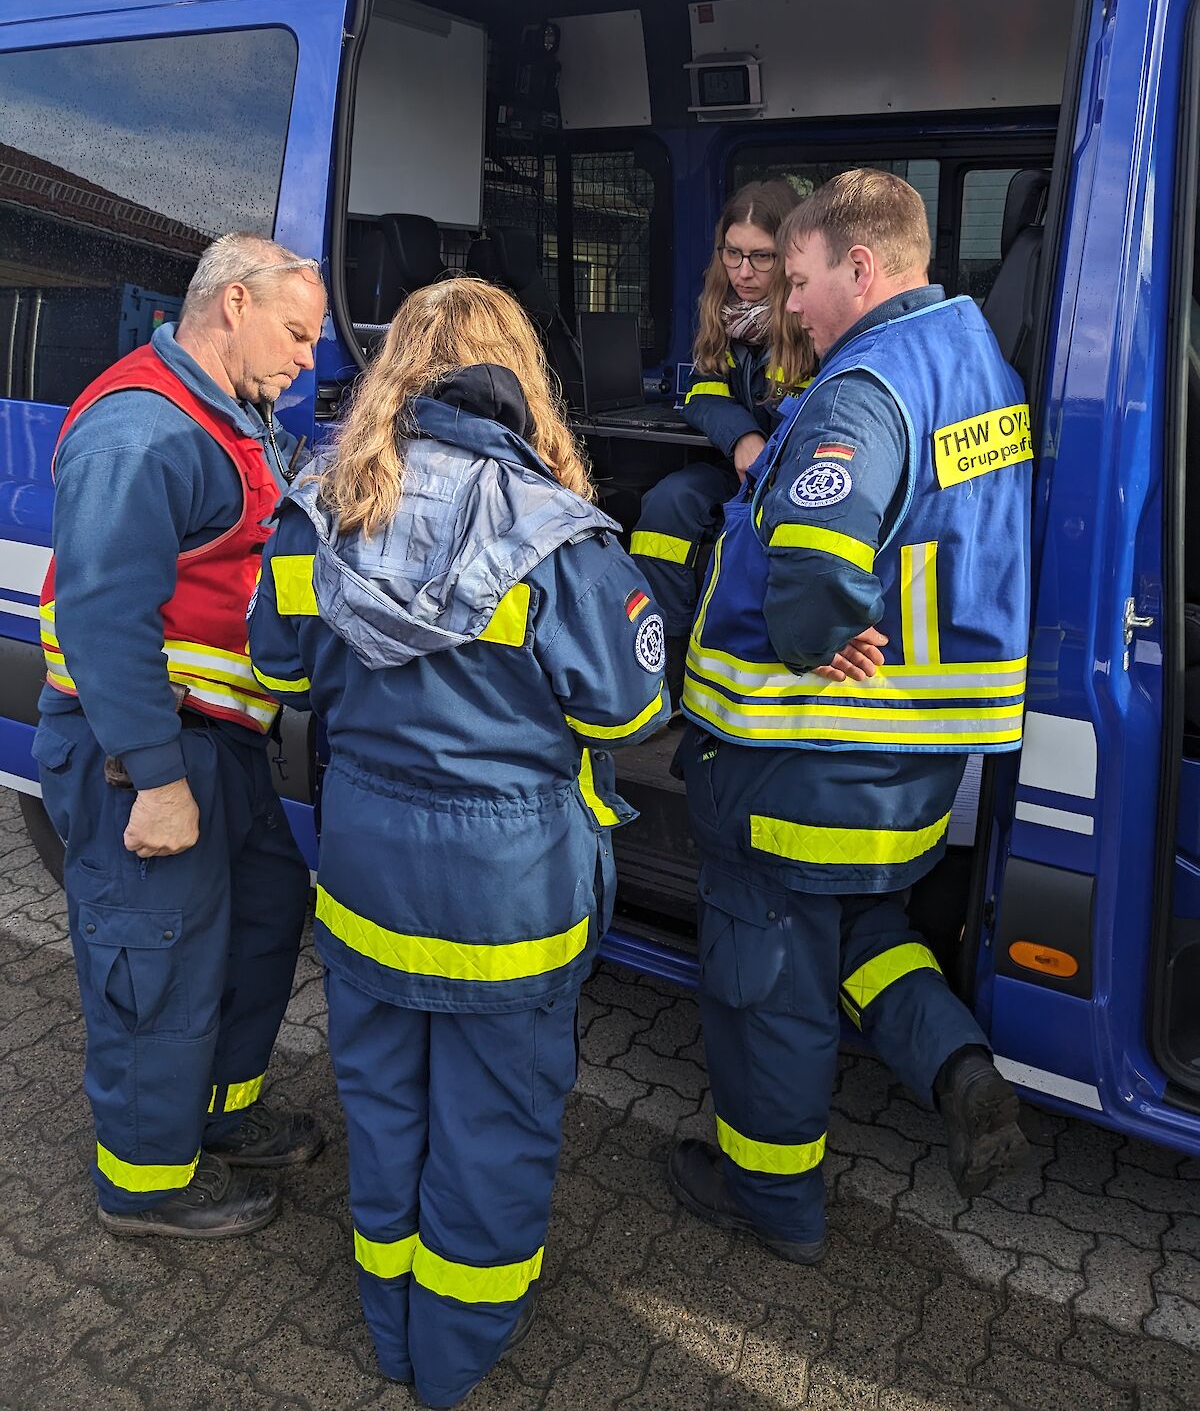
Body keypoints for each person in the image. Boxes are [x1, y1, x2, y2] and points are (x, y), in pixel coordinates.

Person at [248, 277, 667, 1409]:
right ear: (518, 375)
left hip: (368, 875)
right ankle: (455, 1358)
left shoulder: (316, 508)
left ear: (395, 372)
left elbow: (279, 673)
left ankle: (390, 1330)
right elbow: (629, 717)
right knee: (493, 1130)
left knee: (383, 1111)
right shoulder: (557, 537)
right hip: (509, 899)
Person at [668, 169, 1033, 1263]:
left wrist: (816, 636)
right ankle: (960, 1069)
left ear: (859, 269)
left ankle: (772, 1200)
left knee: (768, 975)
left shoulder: (866, 386)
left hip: (803, 754)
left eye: (803, 276)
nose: (791, 302)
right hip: (911, 765)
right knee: (867, 931)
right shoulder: (976, 358)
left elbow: (818, 561)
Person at [34, 233, 326, 1239]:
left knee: (257, 920)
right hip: (146, 749)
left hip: (227, 741)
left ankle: (221, 1115)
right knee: (154, 952)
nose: (305, 360)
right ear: (233, 304)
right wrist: (157, 780)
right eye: (295, 334)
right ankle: (146, 1182)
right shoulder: (143, 428)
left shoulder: (231, 416)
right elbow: (104, 617)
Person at [630, 181, 814, 698]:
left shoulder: (812, 315)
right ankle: (659, 669)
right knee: (667, 503)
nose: (743, 272)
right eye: (732, 253)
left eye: (761, 256)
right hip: (736, 466)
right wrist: (743, 437)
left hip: (795, 474)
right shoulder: (721, 310)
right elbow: (703, 395)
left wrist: (764, 444)